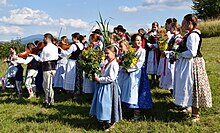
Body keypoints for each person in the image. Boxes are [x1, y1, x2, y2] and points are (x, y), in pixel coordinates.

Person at [174, 14, 212, 122]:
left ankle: (195, 114)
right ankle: (190, 107)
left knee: (194, 87)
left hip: (194, 64)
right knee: (191, 87)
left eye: (184, 23)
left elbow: (192, 52)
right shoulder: (190, 34)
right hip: (191, 62)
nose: (182, 25)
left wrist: (179, 54)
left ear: (190, 23)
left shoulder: (192, 35)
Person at [120, 34, 152, 121]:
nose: (138, 42)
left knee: (136, 92)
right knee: (130, 91)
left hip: (138, 74)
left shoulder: (142, 51)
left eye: (140, 40)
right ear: (132, 42)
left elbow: (139, 63)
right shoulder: (132, 51)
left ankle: (137, 113)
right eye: (136, 40)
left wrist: (129, 69)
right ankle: (128, 109)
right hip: (131, 73)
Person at [90, 45, 122, 131]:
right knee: (101, 103)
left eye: (108, 53)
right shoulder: (107, 62)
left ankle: (109, 121)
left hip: (109, 87)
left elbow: (111, 78)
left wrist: (99, 79)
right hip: (103, 86)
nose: (106, 55)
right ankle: (103, 118)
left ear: (114, 53)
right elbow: (101, 70)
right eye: (105, 53)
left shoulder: (114, 64)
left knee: (108, 104)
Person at [31, 33, 59, 107]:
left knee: (47, 86)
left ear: (46, 39)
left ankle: (49, 102)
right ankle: (47, 99)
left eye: (44, 38)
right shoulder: (55, 47)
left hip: (47, 68)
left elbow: (41, 59)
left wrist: (34, 56)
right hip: (54, 67)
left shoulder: (45, 48)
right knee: (46, 84)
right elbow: (57, 57)